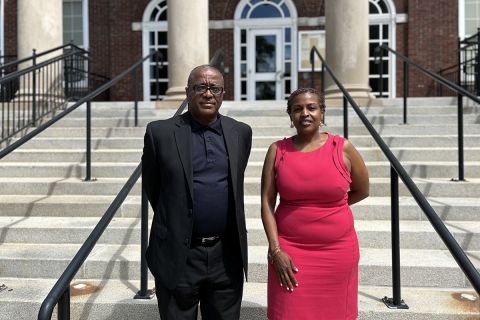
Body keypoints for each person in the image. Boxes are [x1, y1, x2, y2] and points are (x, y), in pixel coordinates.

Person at [142, 65, 252, 320]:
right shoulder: (160, 133)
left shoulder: (241, 132)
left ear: (223, 93)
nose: (208, 93)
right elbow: (154, 187)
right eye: (200, 87)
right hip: (178, 255)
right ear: (188, 92)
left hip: (226, 256)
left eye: (215, 88)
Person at [260, 88, 369, 320]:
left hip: (337, 253)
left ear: (322, 112)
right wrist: (275, 250)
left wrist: (332, 209)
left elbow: (362, 190)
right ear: (290, 115)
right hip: (289, 251)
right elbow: (267, 203)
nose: (305, 113)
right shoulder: (277, 150)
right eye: (297, 109)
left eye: (312, 107)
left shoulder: (343, 148)